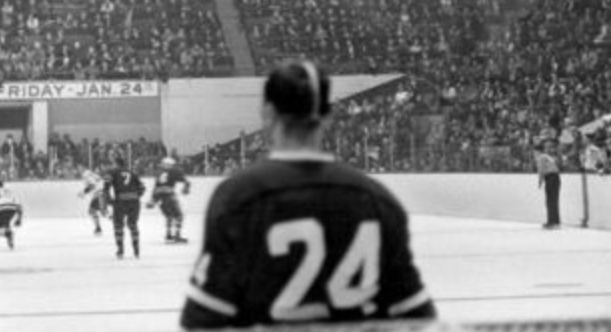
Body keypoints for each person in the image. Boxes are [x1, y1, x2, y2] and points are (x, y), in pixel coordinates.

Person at [180, 60, 435, 329]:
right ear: (327, 116)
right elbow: (418, 317)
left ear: (268, 113)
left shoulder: (238, 197)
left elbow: (203, 319)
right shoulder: (376, 199)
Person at [104, 156, 146, 259]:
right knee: (133, 224)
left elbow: (106, 188)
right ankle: (136, 250)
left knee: (118, 225)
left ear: (115, 163)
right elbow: (142, 187)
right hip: (134, 201)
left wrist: (109, 201)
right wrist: (136, 196)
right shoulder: (132, 172)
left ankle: (120, 250)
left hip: (120, 201)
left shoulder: (112, 172)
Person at [147, 156, 190, 243]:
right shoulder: (174, 171)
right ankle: (177, 235)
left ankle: (168, 235)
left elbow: (156, 188)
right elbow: (186, 181)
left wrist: (152, 200)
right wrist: (186, 188)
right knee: (179, 216)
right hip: (170, 196)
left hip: (160, 197)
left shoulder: (159, 173)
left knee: (169, 216)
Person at [536, 140, 561, 228]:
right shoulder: (551, 157)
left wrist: (540, 180)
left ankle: (552, 221)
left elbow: (541, 169)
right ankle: (555, 221)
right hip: (556, 177)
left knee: (550, 200)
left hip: (550, 177)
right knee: (554, 200)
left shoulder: (542, 157)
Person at [78, 169, 109, 235]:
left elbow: (92, 185)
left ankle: (118, 222)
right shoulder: (94, 175)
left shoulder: (86, 175)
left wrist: (83, 192)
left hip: (98, 194)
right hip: (101, 194)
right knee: (97, 211)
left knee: (99, 212)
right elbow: (101, 182)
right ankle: (98, 228)